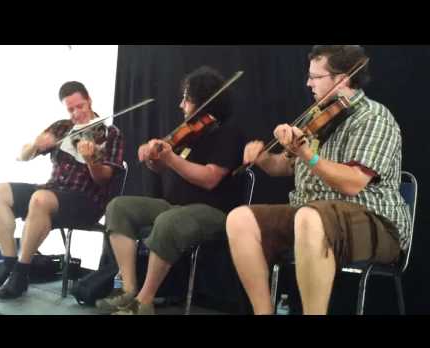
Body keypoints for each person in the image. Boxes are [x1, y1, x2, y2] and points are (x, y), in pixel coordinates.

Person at [226, 45, 411, 315]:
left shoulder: (374, 117)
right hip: (311, 216)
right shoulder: (317, 116)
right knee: (240, 219)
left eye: (316, 77)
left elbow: (353, 182)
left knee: (310, 217)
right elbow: (285, 167)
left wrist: (308, 155)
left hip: (375, 221)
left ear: (342, 79)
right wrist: (264, 159)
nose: (308, 83)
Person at [96, 66, 244, 315]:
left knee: (169, 220)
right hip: (175, 206)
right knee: (118, 207)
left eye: (186, 98)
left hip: (214, 212)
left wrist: (172, 159)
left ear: (203, 99)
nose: (181, 104)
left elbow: (210, 178)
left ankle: (144, 301)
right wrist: (152, 157)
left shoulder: (229, 133)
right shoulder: (189, 134)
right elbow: (162, 168)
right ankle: (129, 289)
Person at [0, 81, 124, 299]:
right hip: (52, 190)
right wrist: (36, 145)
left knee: (40, 199)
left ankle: (20, 274)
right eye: (71, 109)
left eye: (80, 106)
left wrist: (91, 159)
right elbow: (22, 157)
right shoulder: (62, 128)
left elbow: (104, 180)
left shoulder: (110, 133)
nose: (77, 113)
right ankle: (9, 265)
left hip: (86, 201)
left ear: (90, 100)